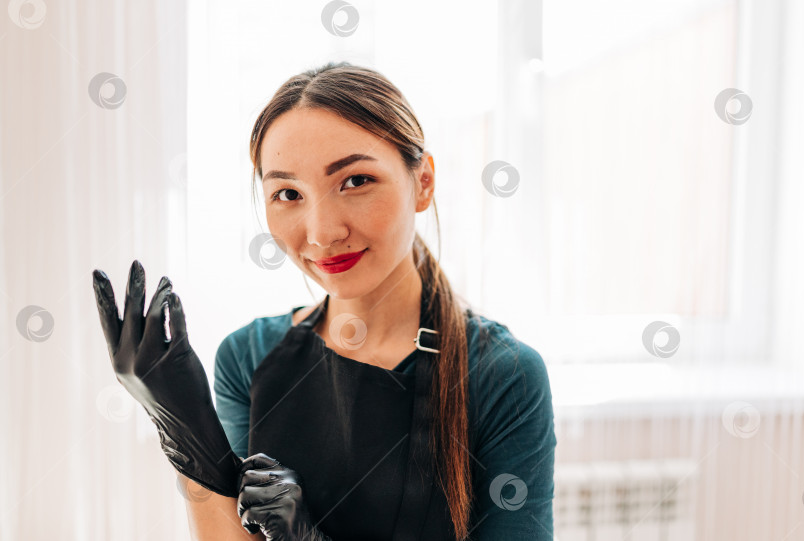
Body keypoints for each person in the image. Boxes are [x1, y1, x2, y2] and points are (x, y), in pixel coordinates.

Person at [93, 60, 556, 541]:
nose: (321, 233)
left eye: (355, 181)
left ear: (423, 183)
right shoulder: (248, 359)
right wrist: (189, 434)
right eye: (288, 193)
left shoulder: (503, 376)